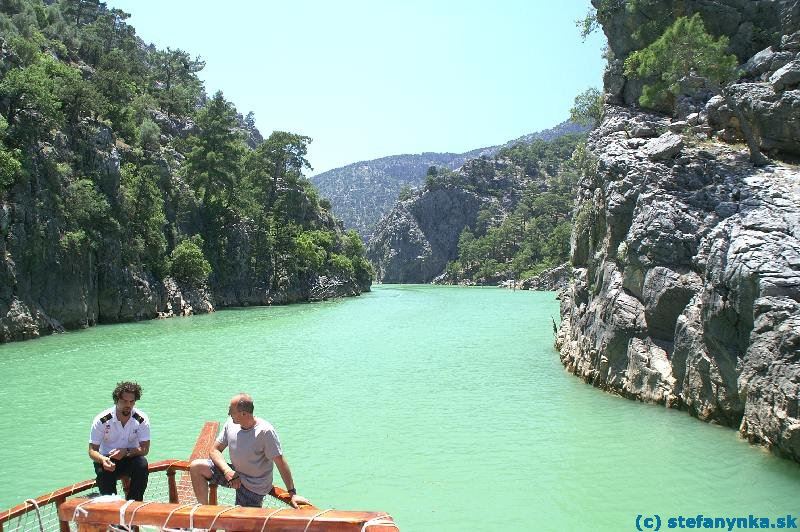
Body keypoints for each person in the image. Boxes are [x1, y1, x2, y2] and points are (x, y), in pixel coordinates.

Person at [190, 393, 308, 508]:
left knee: (237, 525)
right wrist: (227, 471)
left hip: (254, 486)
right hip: (234, 474)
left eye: (231, 411)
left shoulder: (265, 432)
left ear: (244, 414)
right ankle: (204, 516)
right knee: (197, 467)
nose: (228, 413)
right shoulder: (230, 423)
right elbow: (214, 450)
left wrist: (292, 493)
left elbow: (280, 462)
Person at [88, 381, 150, 500]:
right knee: (103, 474)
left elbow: (145, 449)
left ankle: (134, 504)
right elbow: (92, 451)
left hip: (130, 459)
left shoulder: (141, 420)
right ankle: (111, 507)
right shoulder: (102, 420)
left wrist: (126, 452)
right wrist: (103, 459)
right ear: (116, 400)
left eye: (132, 401)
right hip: (107, 461)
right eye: (124, 401)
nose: (128, 405)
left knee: (142, 464)